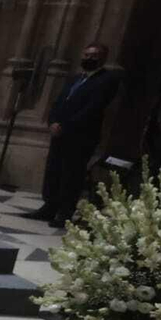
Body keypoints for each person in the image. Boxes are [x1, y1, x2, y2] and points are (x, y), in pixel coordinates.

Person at [35, 42, 122, 227]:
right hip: (60, 133)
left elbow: (93, 109)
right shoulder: (75, 78)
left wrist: (65, 125)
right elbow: (59, 101)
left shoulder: (107, 80)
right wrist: (52, 121)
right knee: (54, 171)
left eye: (94, 55)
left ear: (103, 58)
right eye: (87, 54)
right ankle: (49, 206)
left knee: (71, 175)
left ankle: (64, 212)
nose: (89, 58)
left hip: (81, 135)